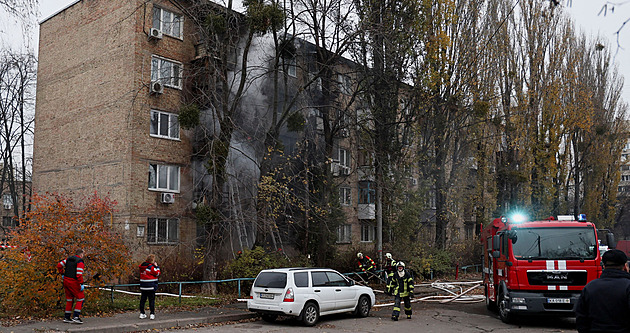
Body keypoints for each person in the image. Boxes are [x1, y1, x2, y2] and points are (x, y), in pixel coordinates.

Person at [575, 249, 630, 332]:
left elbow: (581, 319)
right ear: (625, 266)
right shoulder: (627, 286)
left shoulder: (589, 287)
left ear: (604, 266)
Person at [56, 249, 86, 324]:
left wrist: (62, 273)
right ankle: (76, 317)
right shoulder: (80, 261)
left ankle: (67, 317)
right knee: (80, 298)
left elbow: (59, 265)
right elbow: (79, 274)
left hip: (66, 281)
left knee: (69, 299)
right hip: (74, 282)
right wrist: (81, 284)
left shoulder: (68, 259)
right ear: (81, 254)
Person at [139, 254, 161, 320]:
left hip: (143, 286)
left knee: (143, 300)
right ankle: (152, 314)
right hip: (151, 286)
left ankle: (142, 313)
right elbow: (157, 273)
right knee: (151, 300)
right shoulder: (151, 267)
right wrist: (157, 267)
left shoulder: (142, 267)